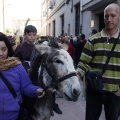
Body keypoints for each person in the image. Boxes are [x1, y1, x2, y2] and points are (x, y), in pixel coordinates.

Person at [77, 3, 120, 120]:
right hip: (94, 91)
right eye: (106, 16)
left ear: (119, 17)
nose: (109, 19)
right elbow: (83, 63)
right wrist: (77, 75)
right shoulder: (93, 40)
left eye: (113, 15)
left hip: (114, 93)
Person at [0, 32, 45, 120]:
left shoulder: (16, 66)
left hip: (15, 116)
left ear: (8, 49)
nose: (1, 53)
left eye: (3, 49)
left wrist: (36, 90)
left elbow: (26, 86)